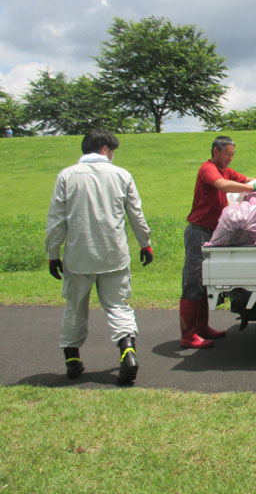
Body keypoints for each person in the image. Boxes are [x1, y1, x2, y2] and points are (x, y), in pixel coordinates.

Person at [46, 128, 153, 386]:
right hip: (114, 254)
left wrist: (53, 254)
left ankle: (72, 360)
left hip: (78, 256)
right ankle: (128, 352)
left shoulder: (67, 176)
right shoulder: (121, 175)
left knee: (74, 308)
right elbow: (135, 215)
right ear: (105, 149)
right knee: (119, 306)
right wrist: (145, 243)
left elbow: (56, 221)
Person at [181, 135, 256, 348]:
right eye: (227, 154)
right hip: (199, 232)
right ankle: (188, 335)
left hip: (213, 233)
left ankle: (202, 328)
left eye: (233, 155)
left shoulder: (226, 170)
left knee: (204, 283)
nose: (230, 159)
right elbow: (224, 186)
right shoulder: (208, 169)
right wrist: (254, 189)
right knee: (192, 281)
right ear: (216, 151)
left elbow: (245, 180)